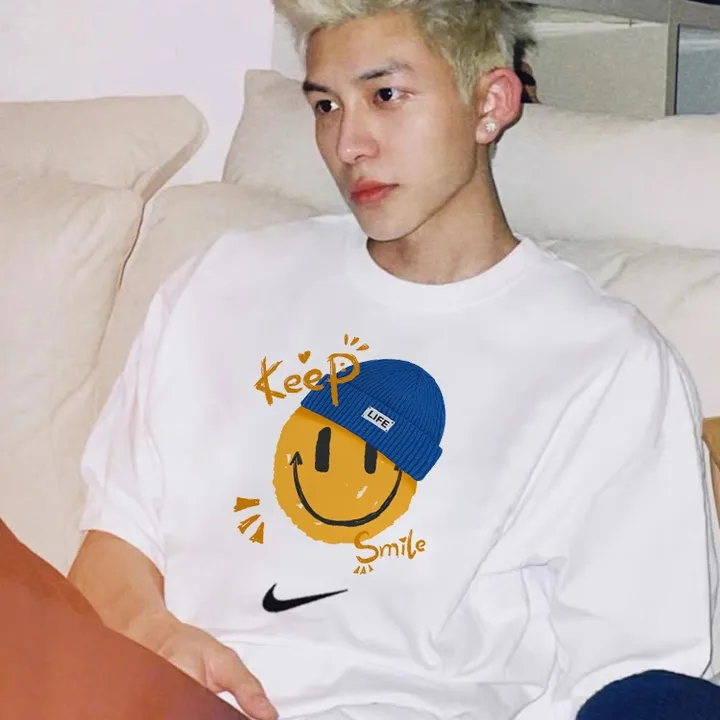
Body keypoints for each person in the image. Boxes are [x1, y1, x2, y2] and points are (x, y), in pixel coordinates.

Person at [67, 1, 719, 719]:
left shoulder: (604, 364)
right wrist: (153, 634)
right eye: (325, 105)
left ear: (490, 103)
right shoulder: (225, 280)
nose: (348, 144)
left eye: (385, 95)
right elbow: (112, 548)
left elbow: (634, 678)